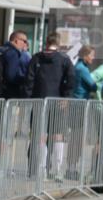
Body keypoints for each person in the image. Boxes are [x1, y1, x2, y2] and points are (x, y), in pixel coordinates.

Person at [24, 34, 77, 178]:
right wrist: (67, 97)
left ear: (47, 42)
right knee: (57, 136)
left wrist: (28, 99)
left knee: (40, 136)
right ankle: (57, 170)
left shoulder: (36, 58)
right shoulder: (64, 59)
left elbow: (29, 80)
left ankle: (41, 170)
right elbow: (71, 78)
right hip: (58, 102)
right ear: (58, 43)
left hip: (39, 102)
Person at [0, 31, 31, 171]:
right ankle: (1, 165)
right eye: (24, 41)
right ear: (16, 40)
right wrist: (25, 79)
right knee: (5, 132)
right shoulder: (13, 53)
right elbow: (11, 76)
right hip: (7, 97)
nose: (25, 44)